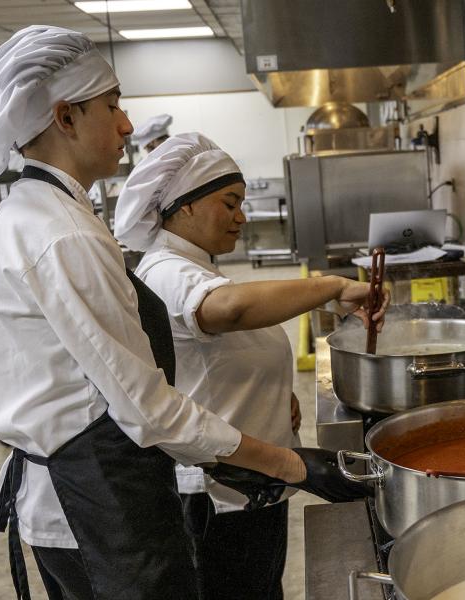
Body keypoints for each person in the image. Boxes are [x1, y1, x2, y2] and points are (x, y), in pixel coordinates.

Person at [0, 25, 368, 600]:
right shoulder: (61, 235)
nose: (127, 125)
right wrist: (290, 465)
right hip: (96, 506)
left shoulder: (32, 216)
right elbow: (147, 409)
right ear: (65, 118)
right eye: (113, 106)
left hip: (91, 497)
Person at [113, 132, 390, 600]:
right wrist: (330, 287)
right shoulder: (166, 271)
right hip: (219, 496)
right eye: (229, 202)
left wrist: (274, 394)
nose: (241, 217)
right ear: (184, 206)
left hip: (252, 483)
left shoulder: (196, 267)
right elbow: (230, 311)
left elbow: (214, 357)